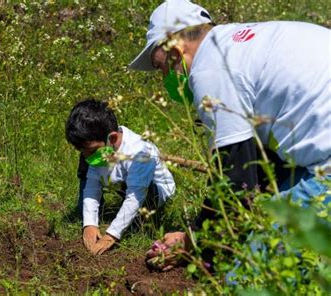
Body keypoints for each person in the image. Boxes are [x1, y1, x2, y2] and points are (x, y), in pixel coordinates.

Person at [129, 0, 330, 269]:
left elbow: (234, 183)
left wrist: (197, 249)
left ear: (175, 52)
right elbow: (258, 167)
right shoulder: (241, 45)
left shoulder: (209, 69)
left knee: (247, 278)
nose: (163, 75)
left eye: (160, 66)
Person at [65, 99, 176, 255]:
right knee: (88, 169)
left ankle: (142, 220)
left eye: (90, 150)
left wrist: (111, 235)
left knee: (138, 207)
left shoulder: (139, 152)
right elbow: (91, 185)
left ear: (112, 138)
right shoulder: (100, 151)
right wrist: (89, 224)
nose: (86, 155)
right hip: (122, 184)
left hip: (154, 191)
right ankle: (102, 213)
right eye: (81, 150)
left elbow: (134, 197)